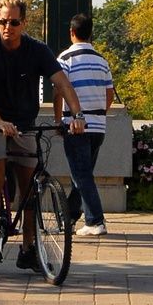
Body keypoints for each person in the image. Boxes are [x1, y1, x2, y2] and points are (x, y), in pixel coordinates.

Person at [0, 0, 86, 271]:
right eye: (2, 22)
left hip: (23, 124)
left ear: (24, 22)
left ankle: (28, 248)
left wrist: (77, 115)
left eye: (13, 22)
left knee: (31, 186)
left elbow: (63, 84)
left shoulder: (37, 50)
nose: (7, 27)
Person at [53, 14, 115, 237]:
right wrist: (100, 113)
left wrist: (59, 119)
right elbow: (109, 93)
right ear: (90, 33)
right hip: (98, 125)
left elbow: (59, 90)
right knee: (82, 173)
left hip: (76, 124)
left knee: (81, 175)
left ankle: (95, 220)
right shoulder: (101, 60)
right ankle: (69, 216)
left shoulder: (65, 59)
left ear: (72, 32)